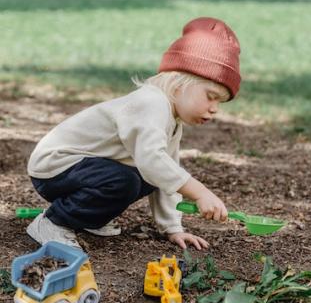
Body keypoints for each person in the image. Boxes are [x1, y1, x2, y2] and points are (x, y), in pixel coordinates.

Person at [26, 16, 241, 250]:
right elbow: (152, 161)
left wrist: (173, 228)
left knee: (151, 176)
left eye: (220, 102)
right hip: (55, 166)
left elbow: (166, 174)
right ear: (179, 85)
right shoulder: (151, 103)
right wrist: (199, 192)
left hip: (81, 169)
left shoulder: (171, 119)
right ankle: (53, 222)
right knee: (126, 180)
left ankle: (88, 217)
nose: (214, 109)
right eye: (211, 96)